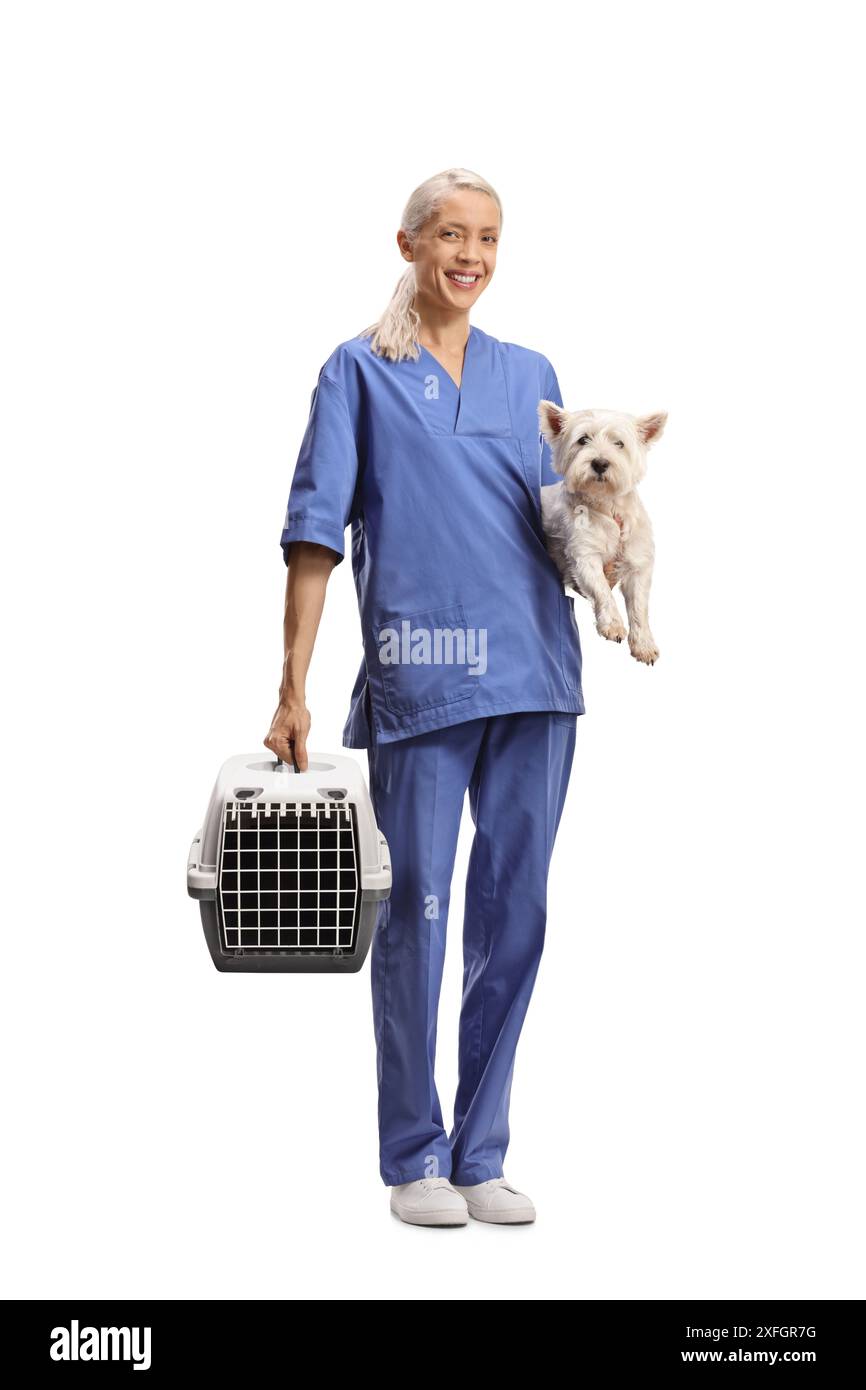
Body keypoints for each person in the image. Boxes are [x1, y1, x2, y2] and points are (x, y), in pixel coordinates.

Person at [265, 168, 584, 1227]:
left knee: (517, 914)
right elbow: (315, 533)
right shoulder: (357, 372)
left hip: (534, 675)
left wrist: (617, 546)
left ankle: (479, 1150)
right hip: (419, 674)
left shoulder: (529, 372)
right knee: (415, 911)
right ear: (407, 244)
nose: (471, 255)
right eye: (450, 234)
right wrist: (291, 687)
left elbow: (560, 515)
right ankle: (413, 1153)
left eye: (487, 237)